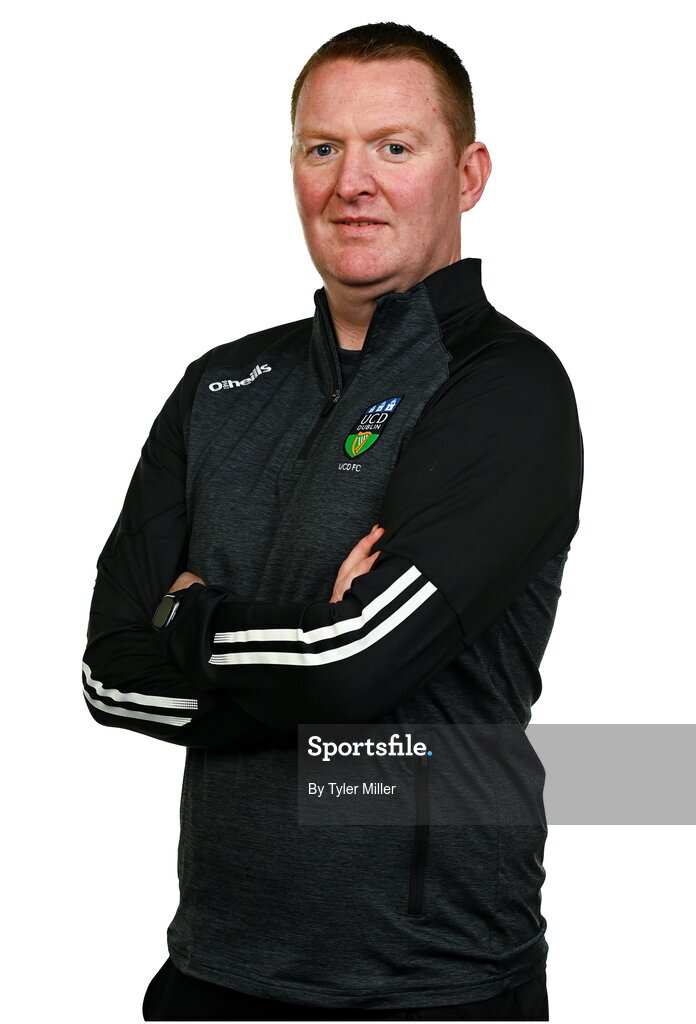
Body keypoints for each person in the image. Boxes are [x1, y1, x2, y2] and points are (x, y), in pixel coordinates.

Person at [82, 21, 583, 1022]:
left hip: (434, 985)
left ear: (467, 173)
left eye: (395, 147)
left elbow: (349, 664)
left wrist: (192, 625)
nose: (352, 181)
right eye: (323, 148)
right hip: (213, 971)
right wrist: (319, 667)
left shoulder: (507, 391)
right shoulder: (220, 386)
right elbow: (104, 672)